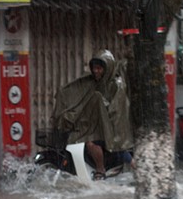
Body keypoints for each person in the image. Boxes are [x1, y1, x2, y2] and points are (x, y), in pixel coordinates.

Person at [51, 49, 134, 180]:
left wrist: (100, 107)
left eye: (99, 68)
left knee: (91, 143)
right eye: (94, 68)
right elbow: (77, 93)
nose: (96, 71)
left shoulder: (117, 86)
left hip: (112, 128)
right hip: (94, 125)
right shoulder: (92, 82)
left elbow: (116, 112)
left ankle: (100, 169)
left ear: (107, 68)